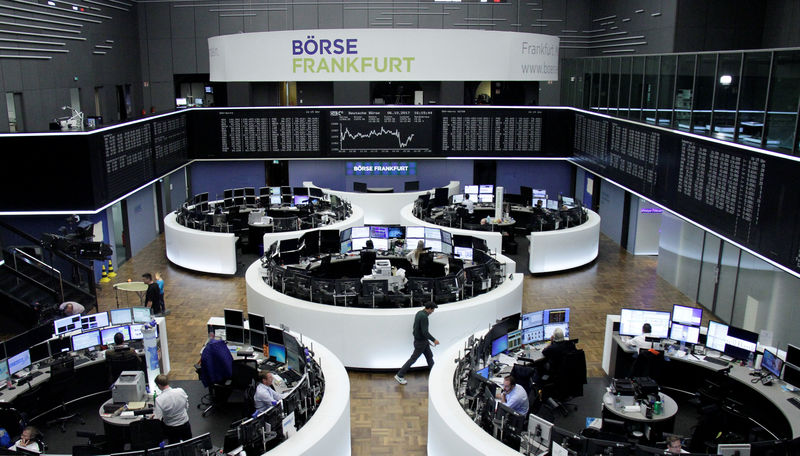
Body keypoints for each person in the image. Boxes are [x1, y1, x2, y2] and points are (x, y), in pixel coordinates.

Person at [395, 302, 439, 385]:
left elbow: (416, 329)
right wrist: (434, 340)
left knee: (429, 356)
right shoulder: (424, 317)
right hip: (421, 343)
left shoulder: (419, 313)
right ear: (429, 308)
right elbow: (425, 332)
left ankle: (434, 373)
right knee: (413, 359)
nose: (433, 312)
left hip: (422, 341)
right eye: (433, 310)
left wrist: (426, 340)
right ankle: (399, 375)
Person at [153, 374, 191, 444]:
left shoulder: (159, 399)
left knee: (174, 447)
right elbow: (186, 406)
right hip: (185, 424)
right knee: (189, 444)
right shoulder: (180, 391)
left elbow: (157, 418)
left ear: (159, 385)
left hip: (171, 428)